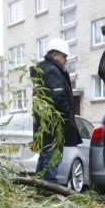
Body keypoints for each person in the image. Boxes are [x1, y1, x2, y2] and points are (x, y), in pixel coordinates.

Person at [31, 38, 81, 182]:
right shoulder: (52, 70)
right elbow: (57, 97)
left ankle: (39, 188)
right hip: (54, 124)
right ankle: (49, 190)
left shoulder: (45, 69)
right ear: (55, 55)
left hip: (46, 123)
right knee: (52, 157)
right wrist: (67, 115)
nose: (66, 60)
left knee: (45, 156)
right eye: (64, 56)